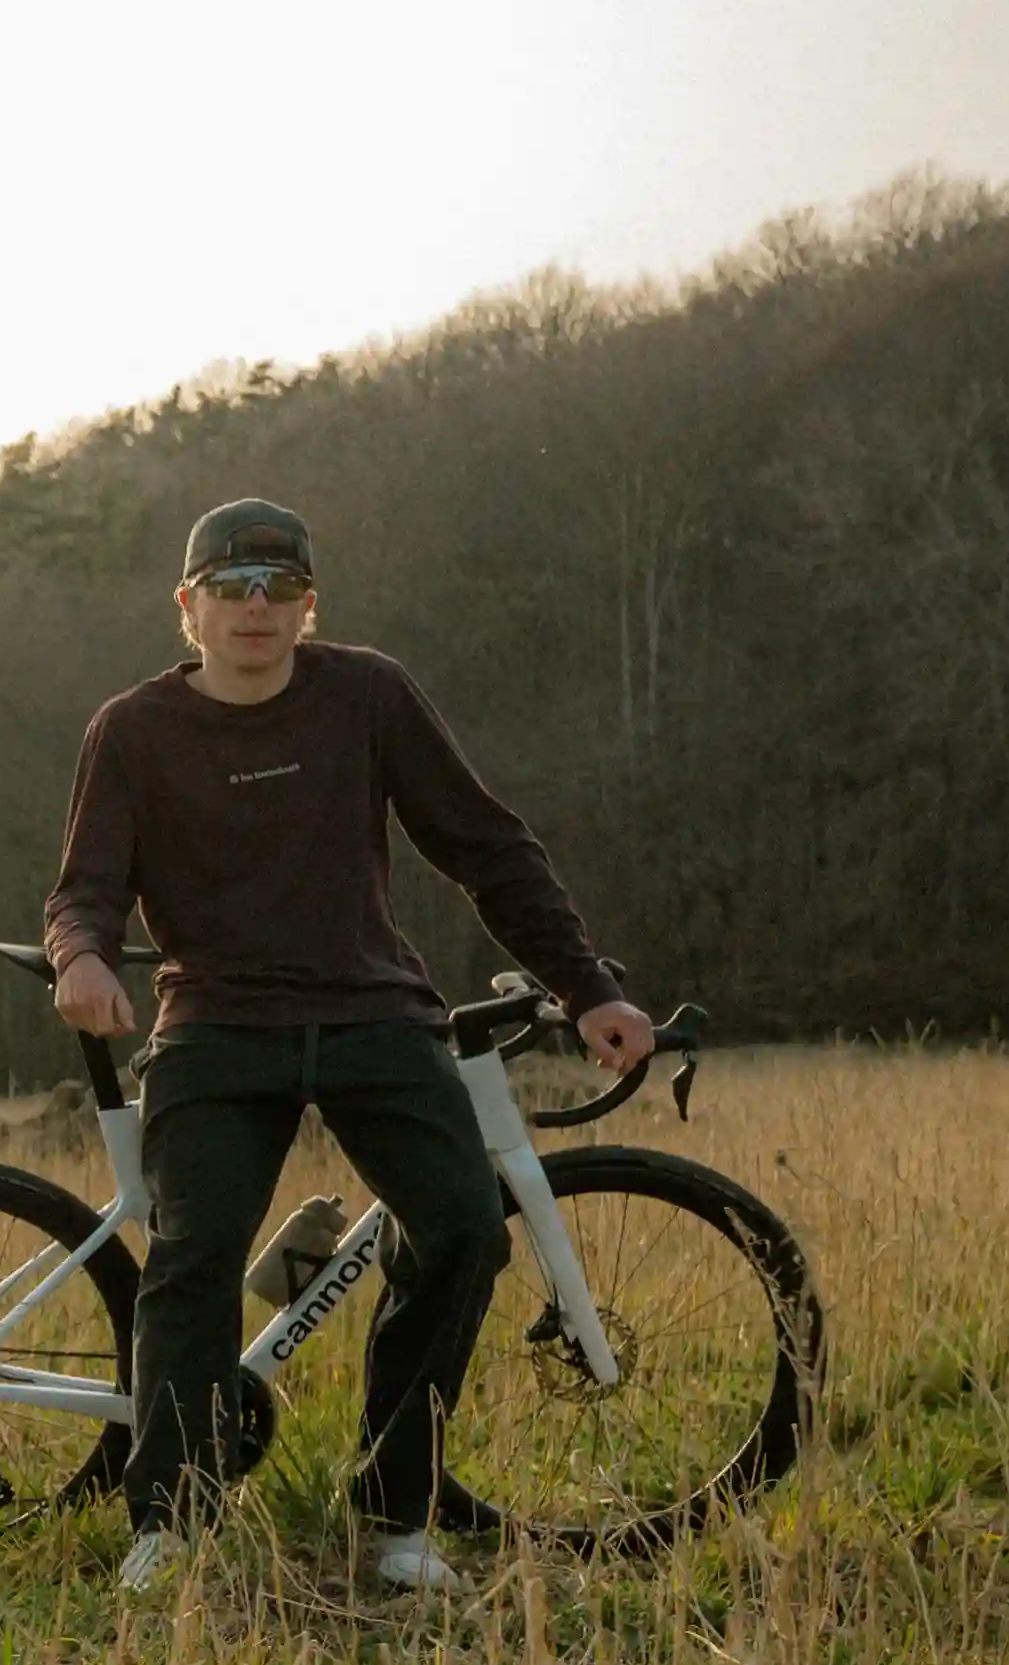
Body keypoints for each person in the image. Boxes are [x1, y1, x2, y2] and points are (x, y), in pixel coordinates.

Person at [44, 497, 653, 1600]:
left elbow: (486, 847)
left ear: (310, 605)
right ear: (189, 608)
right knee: (192, 1263)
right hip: (217, 1026)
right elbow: (83, 892)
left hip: (374, 1014)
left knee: (466, 1228)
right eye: (231, 588)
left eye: (280, 587)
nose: (256, 609)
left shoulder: (368, 696)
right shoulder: (132, 730)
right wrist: (82, 960)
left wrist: (589, 986)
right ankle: (172, 1525)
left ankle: (395, 1514)